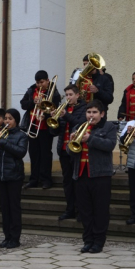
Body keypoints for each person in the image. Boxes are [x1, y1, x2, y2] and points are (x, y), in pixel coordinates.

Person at [67, 100, 117, 253]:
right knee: (85, 211)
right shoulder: (78, 127)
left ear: (101, 114)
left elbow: (109, 145)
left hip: (101, 175)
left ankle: (98, 241)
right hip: (81, 174)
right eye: (89, 112)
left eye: (94, 112)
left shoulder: (108, 127)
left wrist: (90, 139)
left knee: (100, 210)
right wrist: (71, 141)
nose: (91, 115)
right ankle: (87, 240)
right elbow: (70, 152)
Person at [49, 85, 87, 221]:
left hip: (77, 151)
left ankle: (81, 211)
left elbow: (80, 125)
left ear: (77, 95)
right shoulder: (63, 109)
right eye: (66, 95)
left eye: (71, 94)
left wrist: (67, 116)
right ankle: (70, 210)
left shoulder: (84, 108)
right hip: (64, 150)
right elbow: (54, 132)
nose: (68, 97)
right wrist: (54, 121)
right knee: (67, 182)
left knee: (78, 182)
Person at [0, 109, 28, 249]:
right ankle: (7, 236)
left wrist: (3, 142)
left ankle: (15, 238)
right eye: (6, 118)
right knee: (4, 208)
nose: (7, 121)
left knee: (14, 208)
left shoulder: (21, 136)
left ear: (16, 121)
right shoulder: (0, 133)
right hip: (0, 175)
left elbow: (21, 152)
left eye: (10, 119)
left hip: (14, 175)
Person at [20, 70, 61, 189]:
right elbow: (23, 104)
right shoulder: (32, 90)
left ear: (48, 80)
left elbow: (56, 109)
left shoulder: (53, 92)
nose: (39, 85)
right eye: (37, 82)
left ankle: (46, 180)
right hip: (33, 125)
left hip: (45, 127)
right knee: (34, 154)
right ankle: (34, 179)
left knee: (45, 154)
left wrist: (46, 115)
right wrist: (33, 102)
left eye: (42, 82)